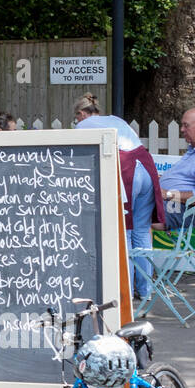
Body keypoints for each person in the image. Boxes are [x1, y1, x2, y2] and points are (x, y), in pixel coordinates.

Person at [73, 93, 166, 299]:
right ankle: (145, 290)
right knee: (142, 233)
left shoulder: (82, 126)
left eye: (76, 118)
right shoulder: (116, 119)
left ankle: (126, 291)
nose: (76, 122)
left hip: (127, 172)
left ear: (81, 114)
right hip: (146, 167)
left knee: (125, 233)